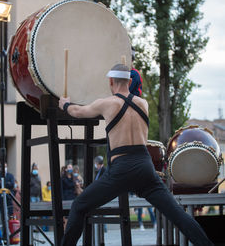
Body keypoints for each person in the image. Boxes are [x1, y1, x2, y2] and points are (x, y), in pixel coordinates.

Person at [58, 63, 213, 246]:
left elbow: (78, 112)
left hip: (121, 169)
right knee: (177, 214)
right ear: (130, 81)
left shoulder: (107, 103)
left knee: (79, 206)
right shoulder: (143, 104)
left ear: (110, 81)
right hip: (145, 167)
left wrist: (65, 104)